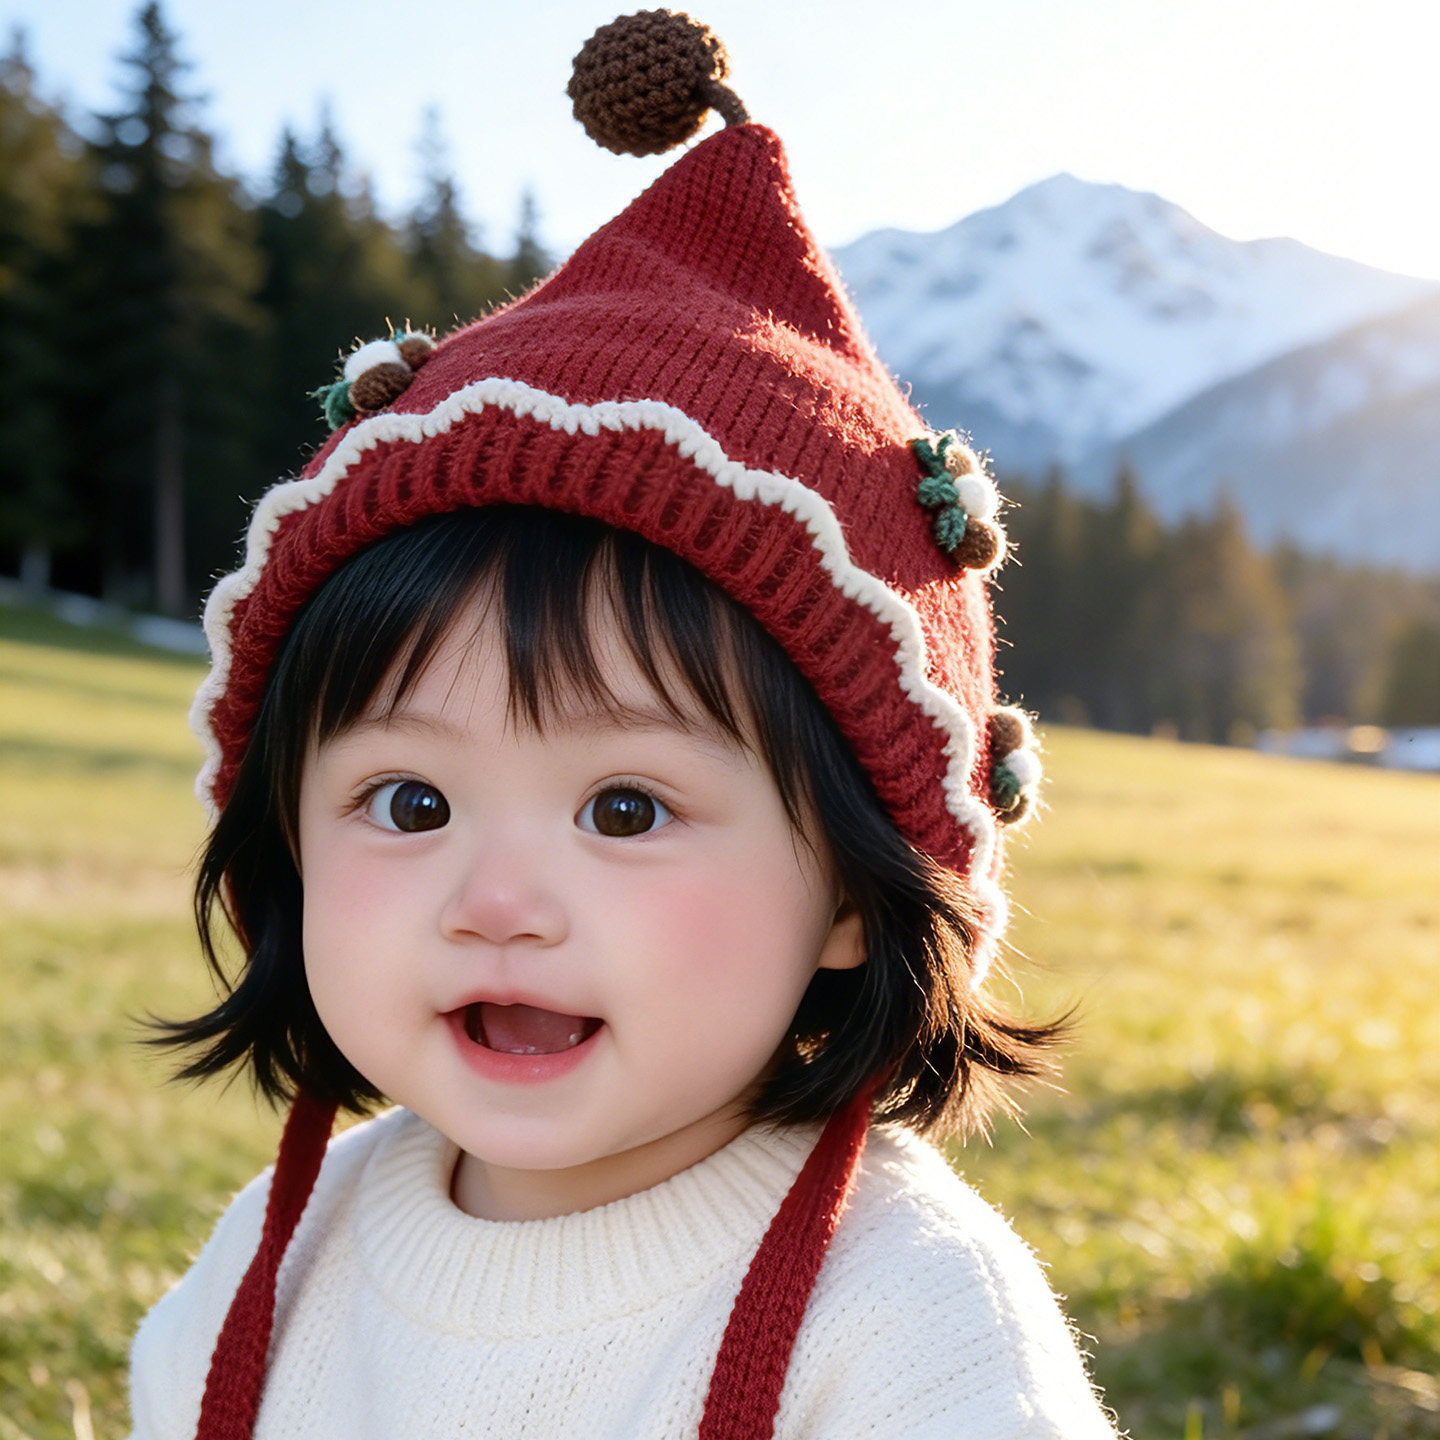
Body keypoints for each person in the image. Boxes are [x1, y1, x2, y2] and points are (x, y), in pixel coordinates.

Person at [128, 11, 1120, 1438]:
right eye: (410, 803)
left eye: (626, 809)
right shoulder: (278, 1260)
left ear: (852, 890)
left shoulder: (907, 1326)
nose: (499, 904)